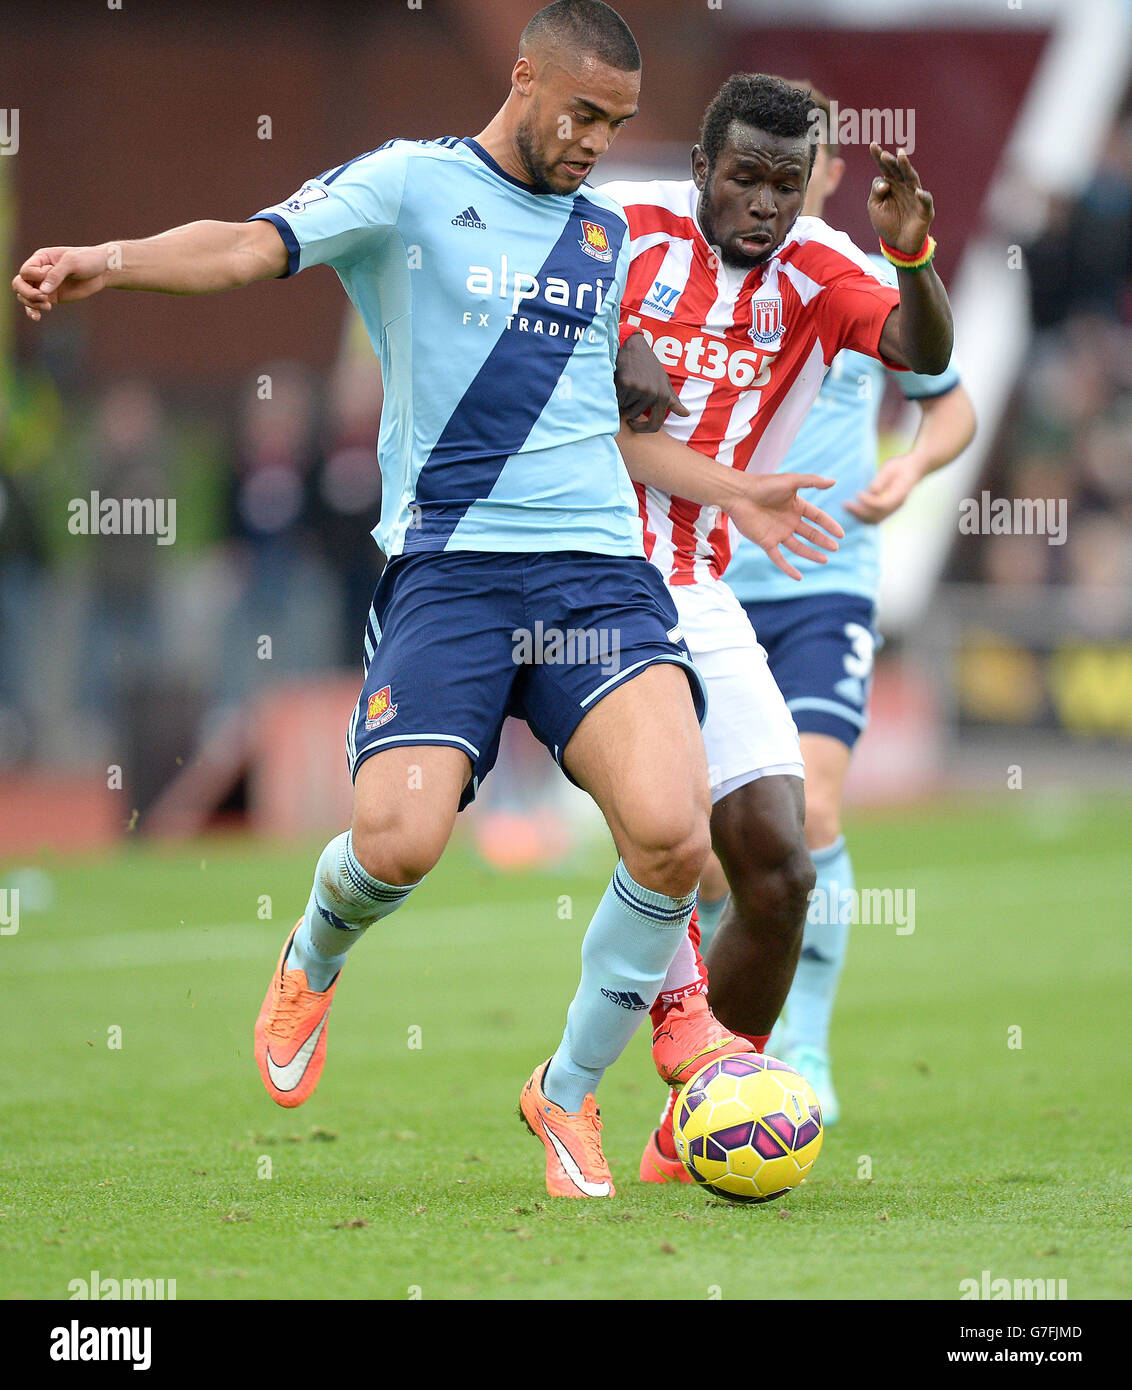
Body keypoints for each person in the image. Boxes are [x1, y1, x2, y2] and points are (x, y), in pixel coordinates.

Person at [13, 3, 839, 1199]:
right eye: (583, 113)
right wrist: (114, 261)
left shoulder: (605, 242)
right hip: (451, 572)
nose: (597, 140)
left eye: (615, 123)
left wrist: (666, 409)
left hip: (594, 574)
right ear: (522, 77)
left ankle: (566, 1094)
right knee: (398, 843)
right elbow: (251, 245)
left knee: (671, 836)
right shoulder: (407, 188)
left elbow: (606, 398)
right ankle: (313, 948)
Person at [598, 72, 955, 1179]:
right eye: (744, 177)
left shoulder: (831, 269)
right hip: (589, 573)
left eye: (785, 185)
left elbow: (932, 364)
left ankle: (732, 1086)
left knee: (784, 854)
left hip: (765, 575)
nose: (764, 203)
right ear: (702, 167)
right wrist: (614, 348)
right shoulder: (622, 229)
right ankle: (568, 1081)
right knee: (670, 845)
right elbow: (525, 309)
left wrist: (911, 258)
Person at [708, 82, 976, 1127]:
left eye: (806, 162)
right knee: (705, 840)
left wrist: (909, 471)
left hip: (825, 584)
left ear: (826, 169)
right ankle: (716, 1038)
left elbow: (946, 401)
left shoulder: (865, 282)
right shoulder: (706, 279)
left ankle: (802, 1047)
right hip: (707, 583)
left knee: (811, 811)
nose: (789, 181)